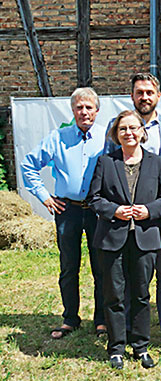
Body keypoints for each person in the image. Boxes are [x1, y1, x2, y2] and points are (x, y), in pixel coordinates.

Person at [105, 73, 161, 354]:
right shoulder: (118, 127)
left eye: (149, 92)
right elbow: (108, 172)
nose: (144, 97)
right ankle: (126, 331)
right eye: (139, 92)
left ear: (158, 96)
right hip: (129, 218)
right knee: (129, 277)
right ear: (132, 96)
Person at [21, 87, 106, 339]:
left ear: (97, 111)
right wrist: (44, 196)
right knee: (69, 266)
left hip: (97, 211)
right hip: (67, 209)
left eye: (89, 107)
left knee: (101, 267)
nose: (84, 112)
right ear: (73, 110)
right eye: (79, 107)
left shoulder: (106, 138)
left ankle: (101, 320)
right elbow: (29, 165)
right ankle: (70, 318)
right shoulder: (57, 138)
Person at [88, 110, 161, 369]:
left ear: (143, 132)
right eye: (123, 129)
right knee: (114, 294)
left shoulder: (157, 163)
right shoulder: (106, 162)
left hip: (145, 238)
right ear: (116, 134)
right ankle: (116, 348)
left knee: (142, 294)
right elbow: (94, 198)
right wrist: (113, 211)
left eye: (134, 128)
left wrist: (148, 211)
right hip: (113, 237)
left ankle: (141, 346)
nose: (129, 133)